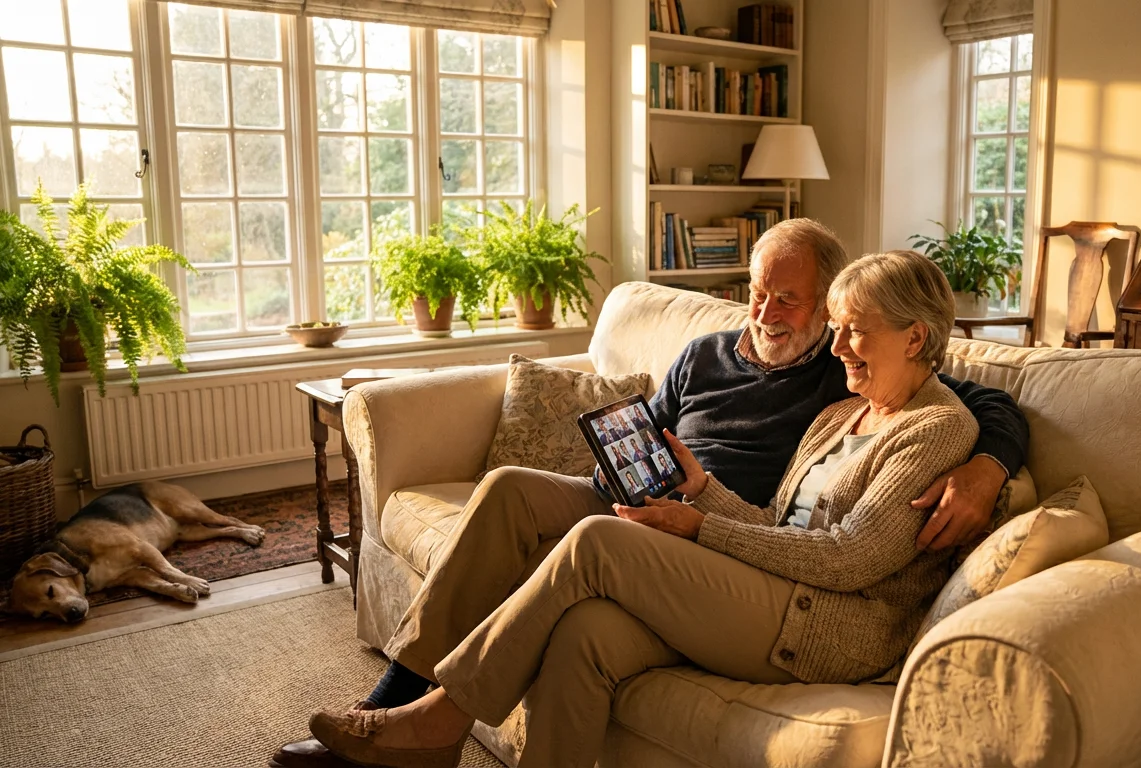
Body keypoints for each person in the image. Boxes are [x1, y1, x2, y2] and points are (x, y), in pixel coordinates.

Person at [273, 219, 1028, 767]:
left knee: (597, 547)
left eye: (802, 306)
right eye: (760, 294)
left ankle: (441, 716)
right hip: (696, 525)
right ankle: (404, 707)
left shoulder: (884, 395)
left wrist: (989, 465)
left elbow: (976, 414)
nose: (770, 315)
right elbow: (756, 504)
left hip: (803, 602)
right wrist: (661, 481)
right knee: (567, 597)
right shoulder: (830, 399)